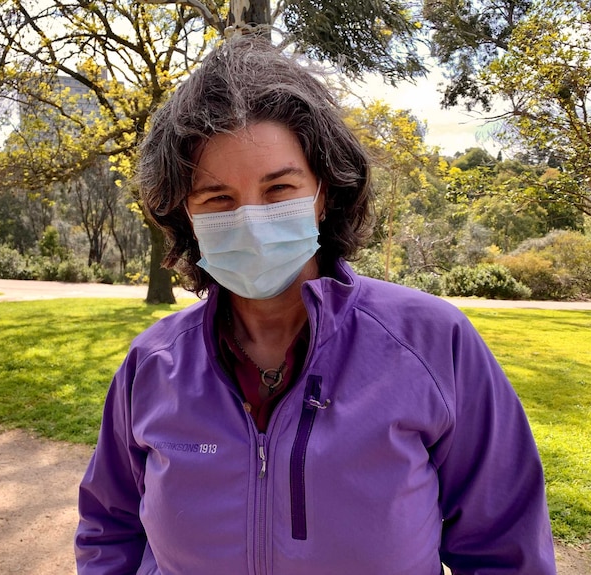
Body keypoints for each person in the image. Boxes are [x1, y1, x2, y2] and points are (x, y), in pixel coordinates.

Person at [74, 35, 556, 575]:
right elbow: (108, 526)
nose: (250, 219)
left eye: (278, 189)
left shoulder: (433, 345)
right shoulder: (152, 366)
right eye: (218, 199)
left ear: (323, 192)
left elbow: (505, 545)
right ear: (185, 213)